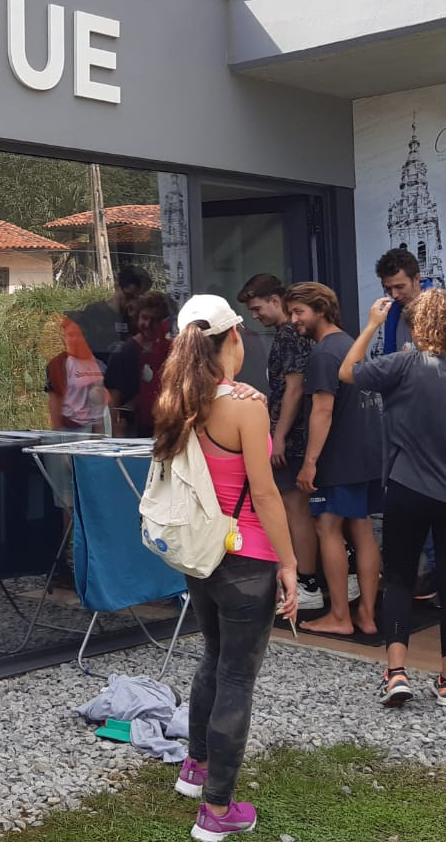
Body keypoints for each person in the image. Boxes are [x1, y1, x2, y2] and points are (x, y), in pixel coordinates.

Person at [156, 294, 298, 841]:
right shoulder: (245, 406)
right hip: (248, 558)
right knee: (237, 674)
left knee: (212, 658)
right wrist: (289, 564)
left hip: (200, 555)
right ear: (232, 338)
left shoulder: (174, 401)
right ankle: (217, 811)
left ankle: (196, 768)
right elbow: (264, 493)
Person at [340, 290, 446, 709]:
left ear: (418, 327)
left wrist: (374, 324)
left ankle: (396, 672)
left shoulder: (404, 364)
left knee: (398, 579)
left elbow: (348, 372)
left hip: (407, 489)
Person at [286, 281, 384, 639]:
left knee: (327, 528)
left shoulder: (324, 353)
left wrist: (309, 462)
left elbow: (322, 410)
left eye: (300, 312)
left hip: (339, 457)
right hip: (369, 454)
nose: (293, 319)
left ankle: (340, 615)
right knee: (361, 529)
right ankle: (367, 614)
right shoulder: (351, 344)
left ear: (321, 311)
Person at [236, 274, 320, 611]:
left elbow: (294, 388)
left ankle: (307, 581)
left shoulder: (289, 334)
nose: (255, 315)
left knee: (294, 507)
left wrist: (279, 436)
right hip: (294, 431)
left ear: (275, 300)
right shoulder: (291, 334)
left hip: (293, 434)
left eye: (257, 308)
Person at [104, 291, 172, 438]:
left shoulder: (170, 351)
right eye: (144, 318)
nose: (147, 324)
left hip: (164, 430)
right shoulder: (124, 352)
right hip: (133, 432)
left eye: (154, 320)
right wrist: (117, 435)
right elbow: (113, 400)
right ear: (136, 318)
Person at [71, 263, 152, 372]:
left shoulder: (138, 317)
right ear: (117, 287)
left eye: (139, 298)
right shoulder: (94, 312)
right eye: (128, 296)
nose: (132, 302)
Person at [46, 314, 109, 433]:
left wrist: (98, 433)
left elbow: (98, 402)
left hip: (88, 429)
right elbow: (54, 400)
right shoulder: (58, 364)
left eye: (80, 335)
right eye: (70, 335)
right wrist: (58, 433)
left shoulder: (97, 365)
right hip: (65, 429)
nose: (75, 339)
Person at [374, 248, 422, 353]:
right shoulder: (392, 311)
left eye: (400, 287)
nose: (394, 295)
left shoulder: (440, 309)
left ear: (416, 279)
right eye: (388, 289)